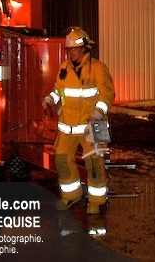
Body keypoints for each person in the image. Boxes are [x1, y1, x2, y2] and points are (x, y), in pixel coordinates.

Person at [42, 27, 115, 214]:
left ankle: (98, 200)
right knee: (61, 159)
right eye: (69, 49)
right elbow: (59, 90)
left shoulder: (98, 68)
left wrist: (98, 112)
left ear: (84, 48)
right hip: (68, 124)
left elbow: (108, 94)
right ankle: (71, 195)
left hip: (95, 124)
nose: (71, 52)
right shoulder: (64, 68)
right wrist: (50, 99)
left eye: (74, 49)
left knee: (95, 162)